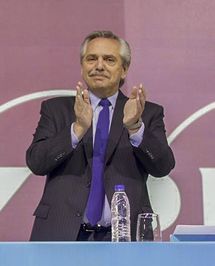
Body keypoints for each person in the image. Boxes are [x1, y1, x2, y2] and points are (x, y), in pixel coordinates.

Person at [26, 30, 175, 241]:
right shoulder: (56, 109)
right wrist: (77, 129)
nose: (99, 66)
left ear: (124, 69)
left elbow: (162, 167)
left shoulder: (146, 112)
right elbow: (36, 163)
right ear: (82, 66)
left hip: (125, 237)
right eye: (91, 59)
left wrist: (135, 127)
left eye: (109, 59)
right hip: (61, 234)